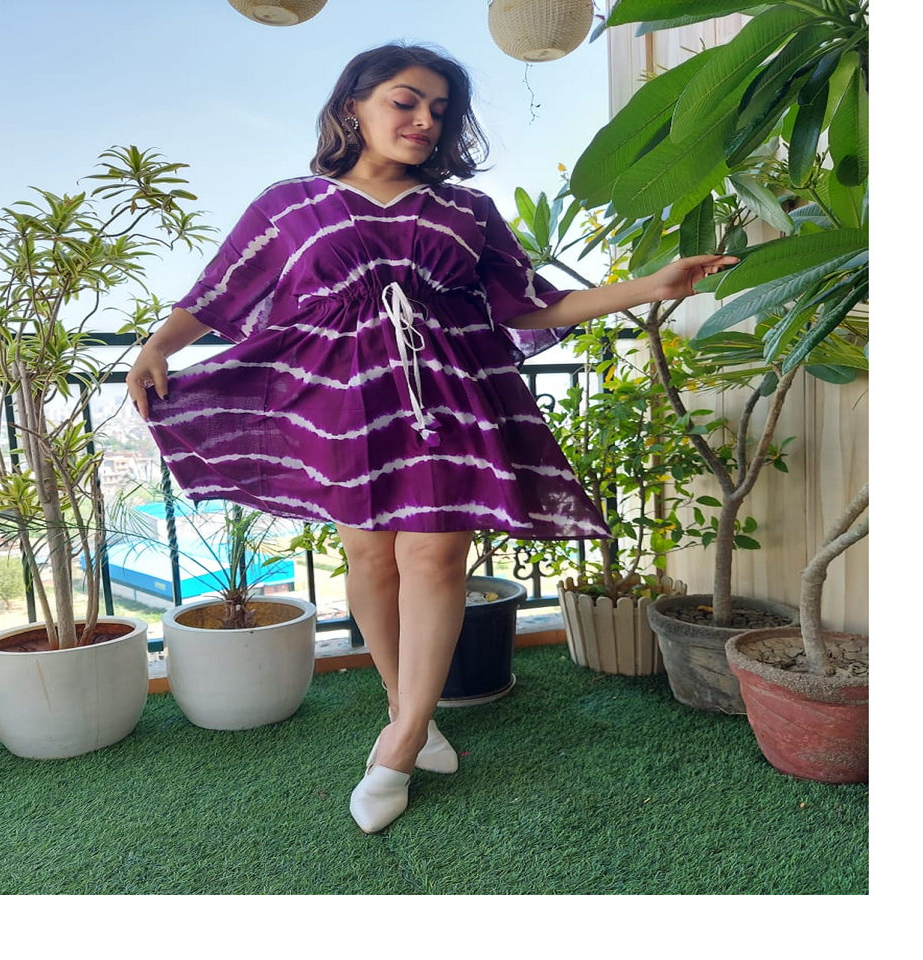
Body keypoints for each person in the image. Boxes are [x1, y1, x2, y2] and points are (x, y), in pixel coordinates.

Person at [126, 42, 736, 834]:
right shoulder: (288, 204)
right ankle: (406, 709)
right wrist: (158, 346)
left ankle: (402, 742)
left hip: (445, 396)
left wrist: (649, 286)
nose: (424, 120)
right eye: (405, 101)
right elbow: (220, 290)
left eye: (439, 111)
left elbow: (530, 306)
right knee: (371, 559)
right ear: (353, 107)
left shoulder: (465, 211)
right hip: (342, 401)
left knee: (436, 557)